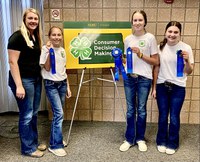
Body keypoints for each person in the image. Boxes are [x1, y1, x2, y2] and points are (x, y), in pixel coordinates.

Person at [7, 8, 46, 157]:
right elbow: (12, 62)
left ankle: (33, 143)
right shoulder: (17, 37)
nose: (33, 21)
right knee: (27, 114)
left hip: (35, 79)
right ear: (24, 19)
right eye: (30, 18)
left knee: (33, 113)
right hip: (23, 81)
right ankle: (27, 149)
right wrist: (19, 85)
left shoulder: (35, 36)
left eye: (36, 19)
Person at [119, 10, 159, 152]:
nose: (137, 23)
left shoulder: (150, 38)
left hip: (144, 79)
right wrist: (119, 60)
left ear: (145, 22)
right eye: (135, 20)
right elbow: (127, 60)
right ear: (132, 22)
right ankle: (129, 139)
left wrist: (140, 54)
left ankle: (140, 138)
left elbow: (156, 61)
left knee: (141, 110)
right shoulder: (127, 39)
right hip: (130, 77)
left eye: (140, 20)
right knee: (130, 110)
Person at [152, 21, 194, 155]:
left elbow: (189, 71)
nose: (172, 34)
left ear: (180, 33)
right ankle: (161, 141)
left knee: (174, 117)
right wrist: (154, 88)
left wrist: (187, 60)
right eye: (170, 31)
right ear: (165, 32)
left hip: (178, 88)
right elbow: (156, 68)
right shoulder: (160, 48)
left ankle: (172, 143)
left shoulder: (186, 48)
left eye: (176, 32)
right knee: (163, 116)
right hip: (162, 86)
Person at [40, 26, 71, 157]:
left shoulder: (63, 50)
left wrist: (68, 87)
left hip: (62, 84)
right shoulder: (45, 49)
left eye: (59, 35)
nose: (57, 37)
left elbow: (64, 70)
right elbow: (46, 68)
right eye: (54, 35)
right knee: (59, 113)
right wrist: (50, 52)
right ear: (49, 36)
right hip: (51, 84)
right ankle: (55, 145)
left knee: (59, 114)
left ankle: (55, 139)